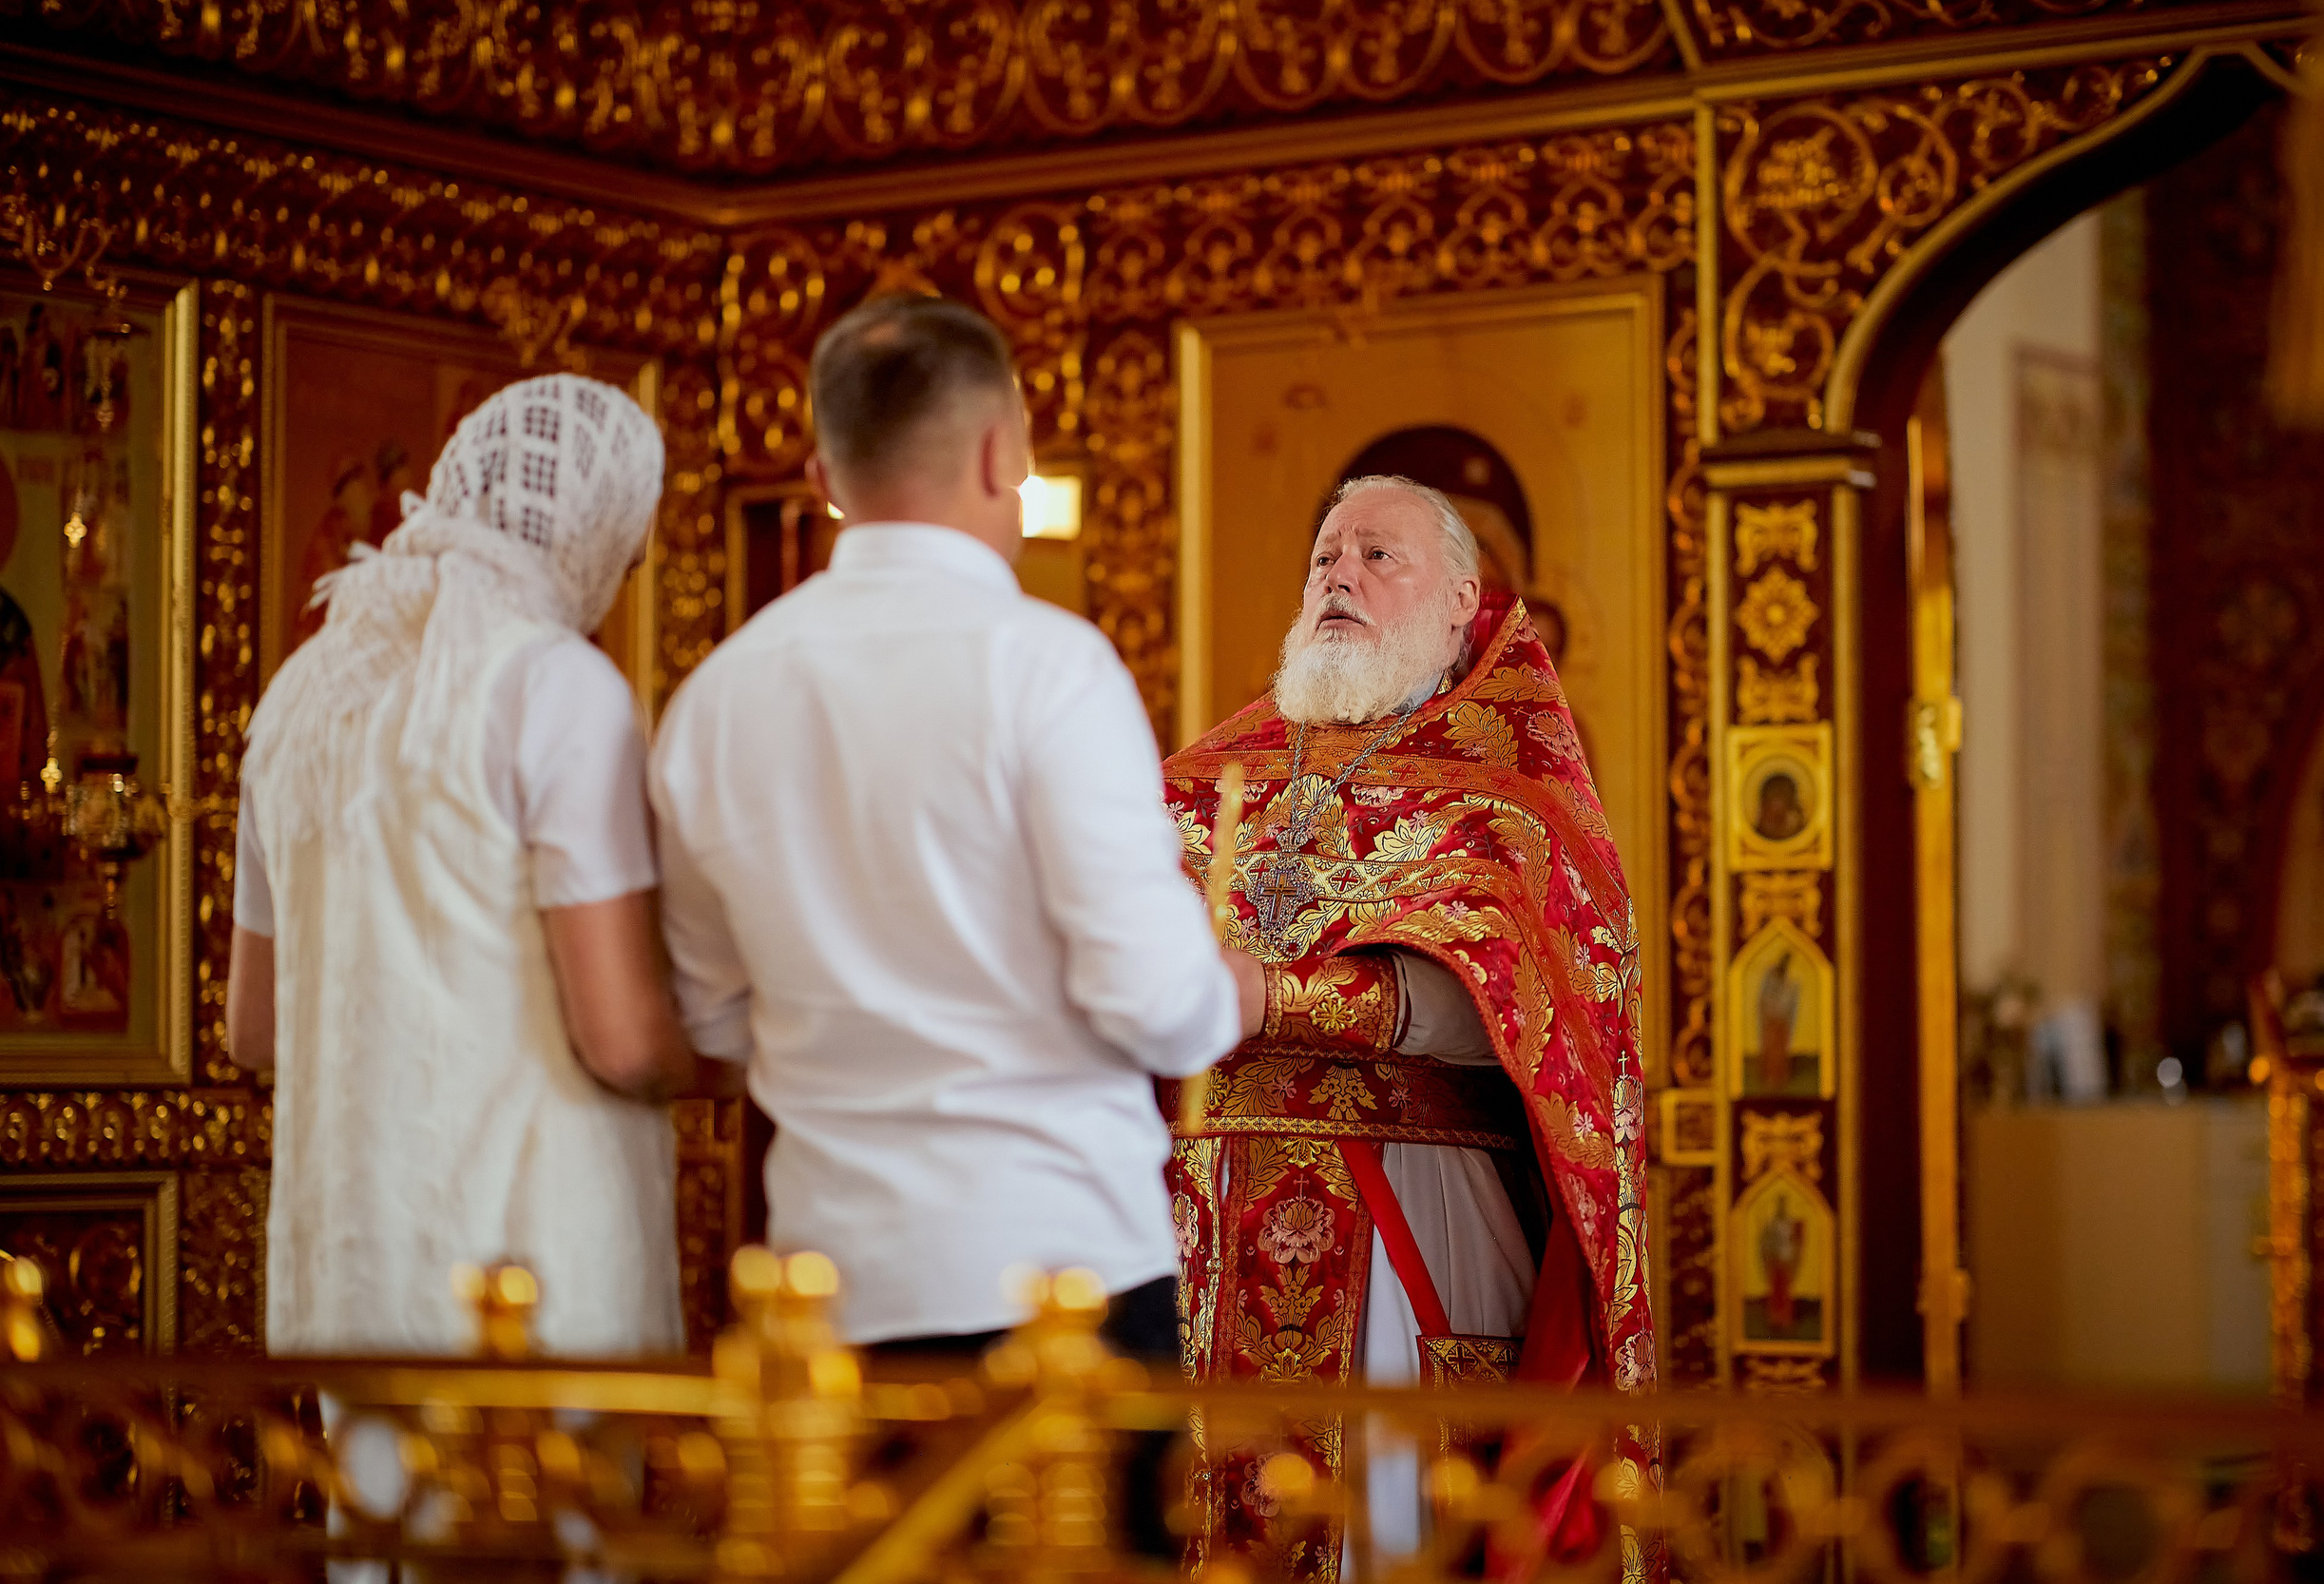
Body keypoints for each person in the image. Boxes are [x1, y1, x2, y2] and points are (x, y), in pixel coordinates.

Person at [649, 294, 1263, 1357]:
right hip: (1063, 1280)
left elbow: (708, 1019)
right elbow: (1162, 1008)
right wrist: (1227, 987)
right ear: (1000, 451)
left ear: (823, 479)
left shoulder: (716, 698)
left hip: (832, 1292)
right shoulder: (1048, 668)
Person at [1162, 475, 1655, 1576]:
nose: (1339, 571)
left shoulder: (1509, 802)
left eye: (1378, 555)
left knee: (1388, 1523)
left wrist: (1279, 1001)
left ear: (1460, 604)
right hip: (1203, 1218)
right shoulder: (1200, 783)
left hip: (1410, 1203)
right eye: (1324, 556)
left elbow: (1524, 1009)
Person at [225, 374, 715, 1360]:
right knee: (551, 1514)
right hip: (537, 1257)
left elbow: (253, 1029)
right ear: (592, 527)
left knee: (372, 1516)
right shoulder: (553, 683)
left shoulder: (298, 697)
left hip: (354, 1265)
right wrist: (745, 1057)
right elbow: (619, 1039)